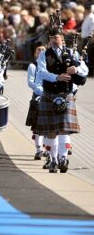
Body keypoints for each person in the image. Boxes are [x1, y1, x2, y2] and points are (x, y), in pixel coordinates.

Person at [35, 27, 88, 173]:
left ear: (62, 38)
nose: (53, 40)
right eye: (51, 37)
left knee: (64, 130)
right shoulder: (44, 54)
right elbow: (41, 72)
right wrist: (56, 77)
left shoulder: (72, 53)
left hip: (66, 93)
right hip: (49, 94)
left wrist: (76, 70)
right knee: (51, 131)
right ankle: (53, 160)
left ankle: (63, 158)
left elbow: (85, 69)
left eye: (56, 37)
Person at [26, 41, 46, 160]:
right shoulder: (32, 66)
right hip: (38, 96)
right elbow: (30, 82)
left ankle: (48, 150)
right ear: (35, 53)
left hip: (50, 96)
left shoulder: (50, 65)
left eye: (43, 49)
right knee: (38, 126)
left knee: (49, 125)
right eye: (39, 49)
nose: (41, 51)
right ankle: (39, 149)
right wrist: (41, 91)